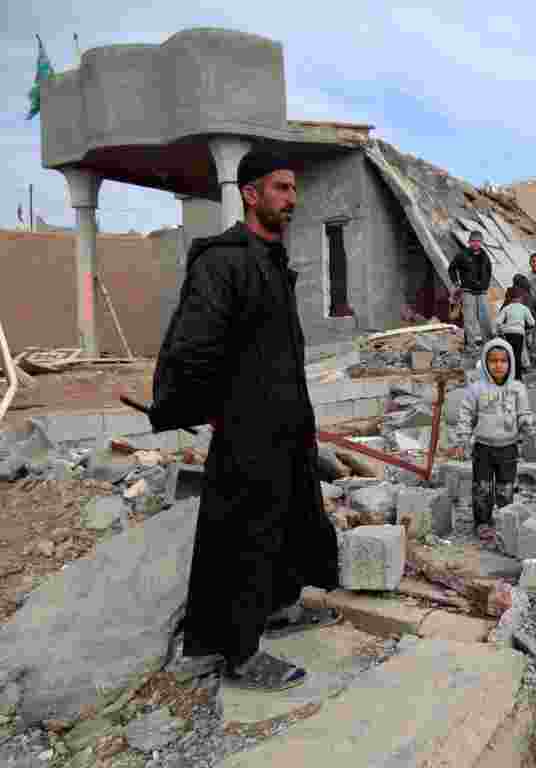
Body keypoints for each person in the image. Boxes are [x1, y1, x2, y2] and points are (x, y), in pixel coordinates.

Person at [148, 148, 340, 693]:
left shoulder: (271, 259)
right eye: (280, 188)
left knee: (292, 518)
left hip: (286, 422)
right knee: (244, 535)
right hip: (248, 428)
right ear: (250, 195)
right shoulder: (224, 259)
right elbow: (194, 347)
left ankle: (278, 608)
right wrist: (216, 410)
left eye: (294, 189)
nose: (292, 199)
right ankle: (237, 650)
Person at [450, 339, 533, 541]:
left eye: (503, 361)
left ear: (510, 363)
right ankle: (482, 523)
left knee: (505, 487)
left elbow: (524, 412)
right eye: (493, 361)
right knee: (482, 487)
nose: (498, 365)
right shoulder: (476, 389)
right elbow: (466, 415)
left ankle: (506, 520)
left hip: (508, 447)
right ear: (485, 363)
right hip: (483, 448)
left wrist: (526, 422)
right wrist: (462, 439)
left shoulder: (517, 388)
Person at [448, 231, 494, 352]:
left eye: (478, 241)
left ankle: (488, 344)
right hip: (468, 291)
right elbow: (452, 268)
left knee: (484, 318)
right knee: (469, 319)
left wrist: (486, 284)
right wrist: (456, 282)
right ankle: (470, 346)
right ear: (469, 242)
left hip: (482, 292)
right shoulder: (462, 255)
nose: (476, 243)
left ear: (481, 242)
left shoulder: (485, 256)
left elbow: (489, 271)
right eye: (473, 241)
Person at [495, 287, 535, 380]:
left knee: (508, 354)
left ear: (511, 298)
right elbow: (532, 322)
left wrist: (500, 330)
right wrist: (527, 329)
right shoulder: (524, 308)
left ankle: (507, 376)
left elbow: (498, 322)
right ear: (520, 298)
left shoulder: (507, 308)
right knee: (517, 355)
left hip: (507, 334)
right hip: (519, 333)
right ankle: (518, 377)